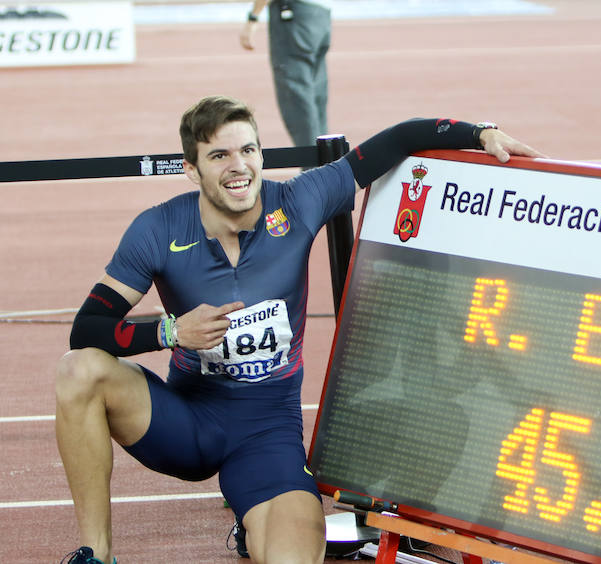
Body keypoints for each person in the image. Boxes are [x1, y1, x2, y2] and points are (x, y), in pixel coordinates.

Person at [56, 95, 543, 564]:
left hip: (267, 431)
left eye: (248, 150)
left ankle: (254, 517)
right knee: (78, 371)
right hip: (187, 421)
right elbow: (88, 329)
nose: (238, 166)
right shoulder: (158, 229)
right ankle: (97, 555)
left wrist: (480, 133)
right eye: (219, 155)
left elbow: (398, 140)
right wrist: (170, 333)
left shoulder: (298, 201)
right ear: (192, 168)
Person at [240, 0, 330, 147]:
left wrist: (253, 17)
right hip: (320, 14)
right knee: (316, 97)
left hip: (293, 16)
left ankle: (311, 158)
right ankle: (324, 157)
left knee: (297, 100)